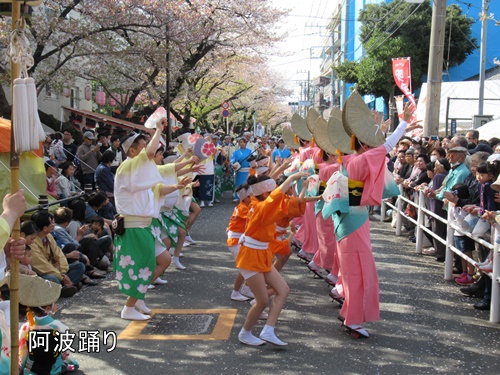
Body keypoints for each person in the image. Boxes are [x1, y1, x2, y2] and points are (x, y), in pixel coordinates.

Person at [325, 101, 421, 337]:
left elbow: (382, 144)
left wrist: (383, 127)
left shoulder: (347, 160)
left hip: (345, 218)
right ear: (366, 144)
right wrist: (404, 121)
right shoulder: (363, 159)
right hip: (355, 219)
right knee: (359, 270)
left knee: (350, 270)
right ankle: (353, 319)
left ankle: (349, 310)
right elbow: (387, 145)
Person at [114, 119, 185, 320]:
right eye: (142, 148)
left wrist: (179, 185)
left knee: (164, 260)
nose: (148, 152)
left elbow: (159, 187)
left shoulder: (137, 170)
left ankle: (137, 299)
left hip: (143, 225)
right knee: (143, 265)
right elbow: (152, 155)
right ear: (132, 152)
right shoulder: (127, 168)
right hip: (134, 225)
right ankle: (129, 308)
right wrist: (159, 130)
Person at [236, 172, 308, 346]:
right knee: (261, 300)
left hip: (262, 255)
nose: (278, 191)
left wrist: (307, 189)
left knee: (283, 290)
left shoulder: (261, 203)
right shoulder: (260, 206)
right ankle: (245, 333)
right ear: (266, 193)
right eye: (274, 189)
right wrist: (292, 178)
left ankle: (268, 329)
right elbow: (277, 199)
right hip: (250, 256)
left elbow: (289, 202)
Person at [18, 277, 79, 374]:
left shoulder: (27, 326)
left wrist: (22, 364)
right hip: (52, 364)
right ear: (47, 308)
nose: (56, 305)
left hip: (33, 364)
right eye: (54, 304)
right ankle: (61, 367)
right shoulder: (57, 325)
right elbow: (64, 346)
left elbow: (23, 348)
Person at [29, 211, 84, 297]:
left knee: (79, 266)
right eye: (51, 223)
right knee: (52, 279)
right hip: (43, 273)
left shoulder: (49, 236)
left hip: (57, 269)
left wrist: (63, 272)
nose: (53, 224)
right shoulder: (32, 242)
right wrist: (61, 277)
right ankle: (64, 287)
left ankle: (63, 287)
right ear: (44, 228)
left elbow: (59, 254)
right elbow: (41, 265)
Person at [230, 138, 253, 202]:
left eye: (243, 142)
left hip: (248, 170)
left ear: (245, 143)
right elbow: (232, 161)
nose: (242, 143)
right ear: (239, 143)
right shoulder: (235, 152)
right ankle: (238, 197)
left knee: (248, 184)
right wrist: (233, 165)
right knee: (239, 184)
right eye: (240, 142)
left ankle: (248, 196)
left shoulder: (250, 151)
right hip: (240, 171)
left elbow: (254, 159)